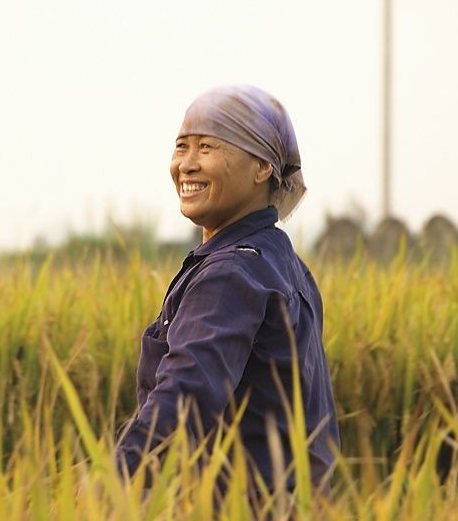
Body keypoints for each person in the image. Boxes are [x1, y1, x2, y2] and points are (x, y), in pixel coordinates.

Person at [115, 85, 339, 493]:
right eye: (182, 146)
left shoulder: (232, 274)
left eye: (208, 147)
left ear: (262, 168)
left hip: (234, 518)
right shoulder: (284, 264)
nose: (188, 164)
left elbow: (184, 397)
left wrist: (112, 481)